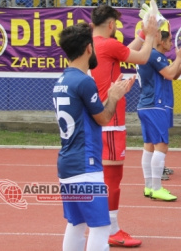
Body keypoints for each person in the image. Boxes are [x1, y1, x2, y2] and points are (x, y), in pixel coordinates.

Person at [53, 22, 135, 251]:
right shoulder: (84, 81)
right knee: (100, 226)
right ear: (89, 48)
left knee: (76, 223)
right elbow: (103, 118)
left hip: (67, 163)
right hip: (85, 165)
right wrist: (114, 96)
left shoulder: (61, 81)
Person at [90, 5, 159, 247]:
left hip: (100, 116)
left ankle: (104, 227)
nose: (117, 28)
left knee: (103, 177)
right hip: (111, 120)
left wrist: (141, 35)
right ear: (110, 24)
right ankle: (111, 229)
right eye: (116, 25)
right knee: (113, 178)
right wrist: (150, 34)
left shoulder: (93, 43)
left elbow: (123, 52)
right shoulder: (107, 44)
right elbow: (140, 57)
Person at [137, 30, 181, 201]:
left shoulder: (151, 55)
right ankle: (156, 187)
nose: (170, 44)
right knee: (161, 146)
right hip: (155, 104)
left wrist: (180, 63)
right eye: (169, 40)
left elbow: (172, 75)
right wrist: (178, 59)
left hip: (147, 104)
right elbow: (169, 73)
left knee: (149, 146)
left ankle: (149, 186)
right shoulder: (155, 55)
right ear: (160, 40)